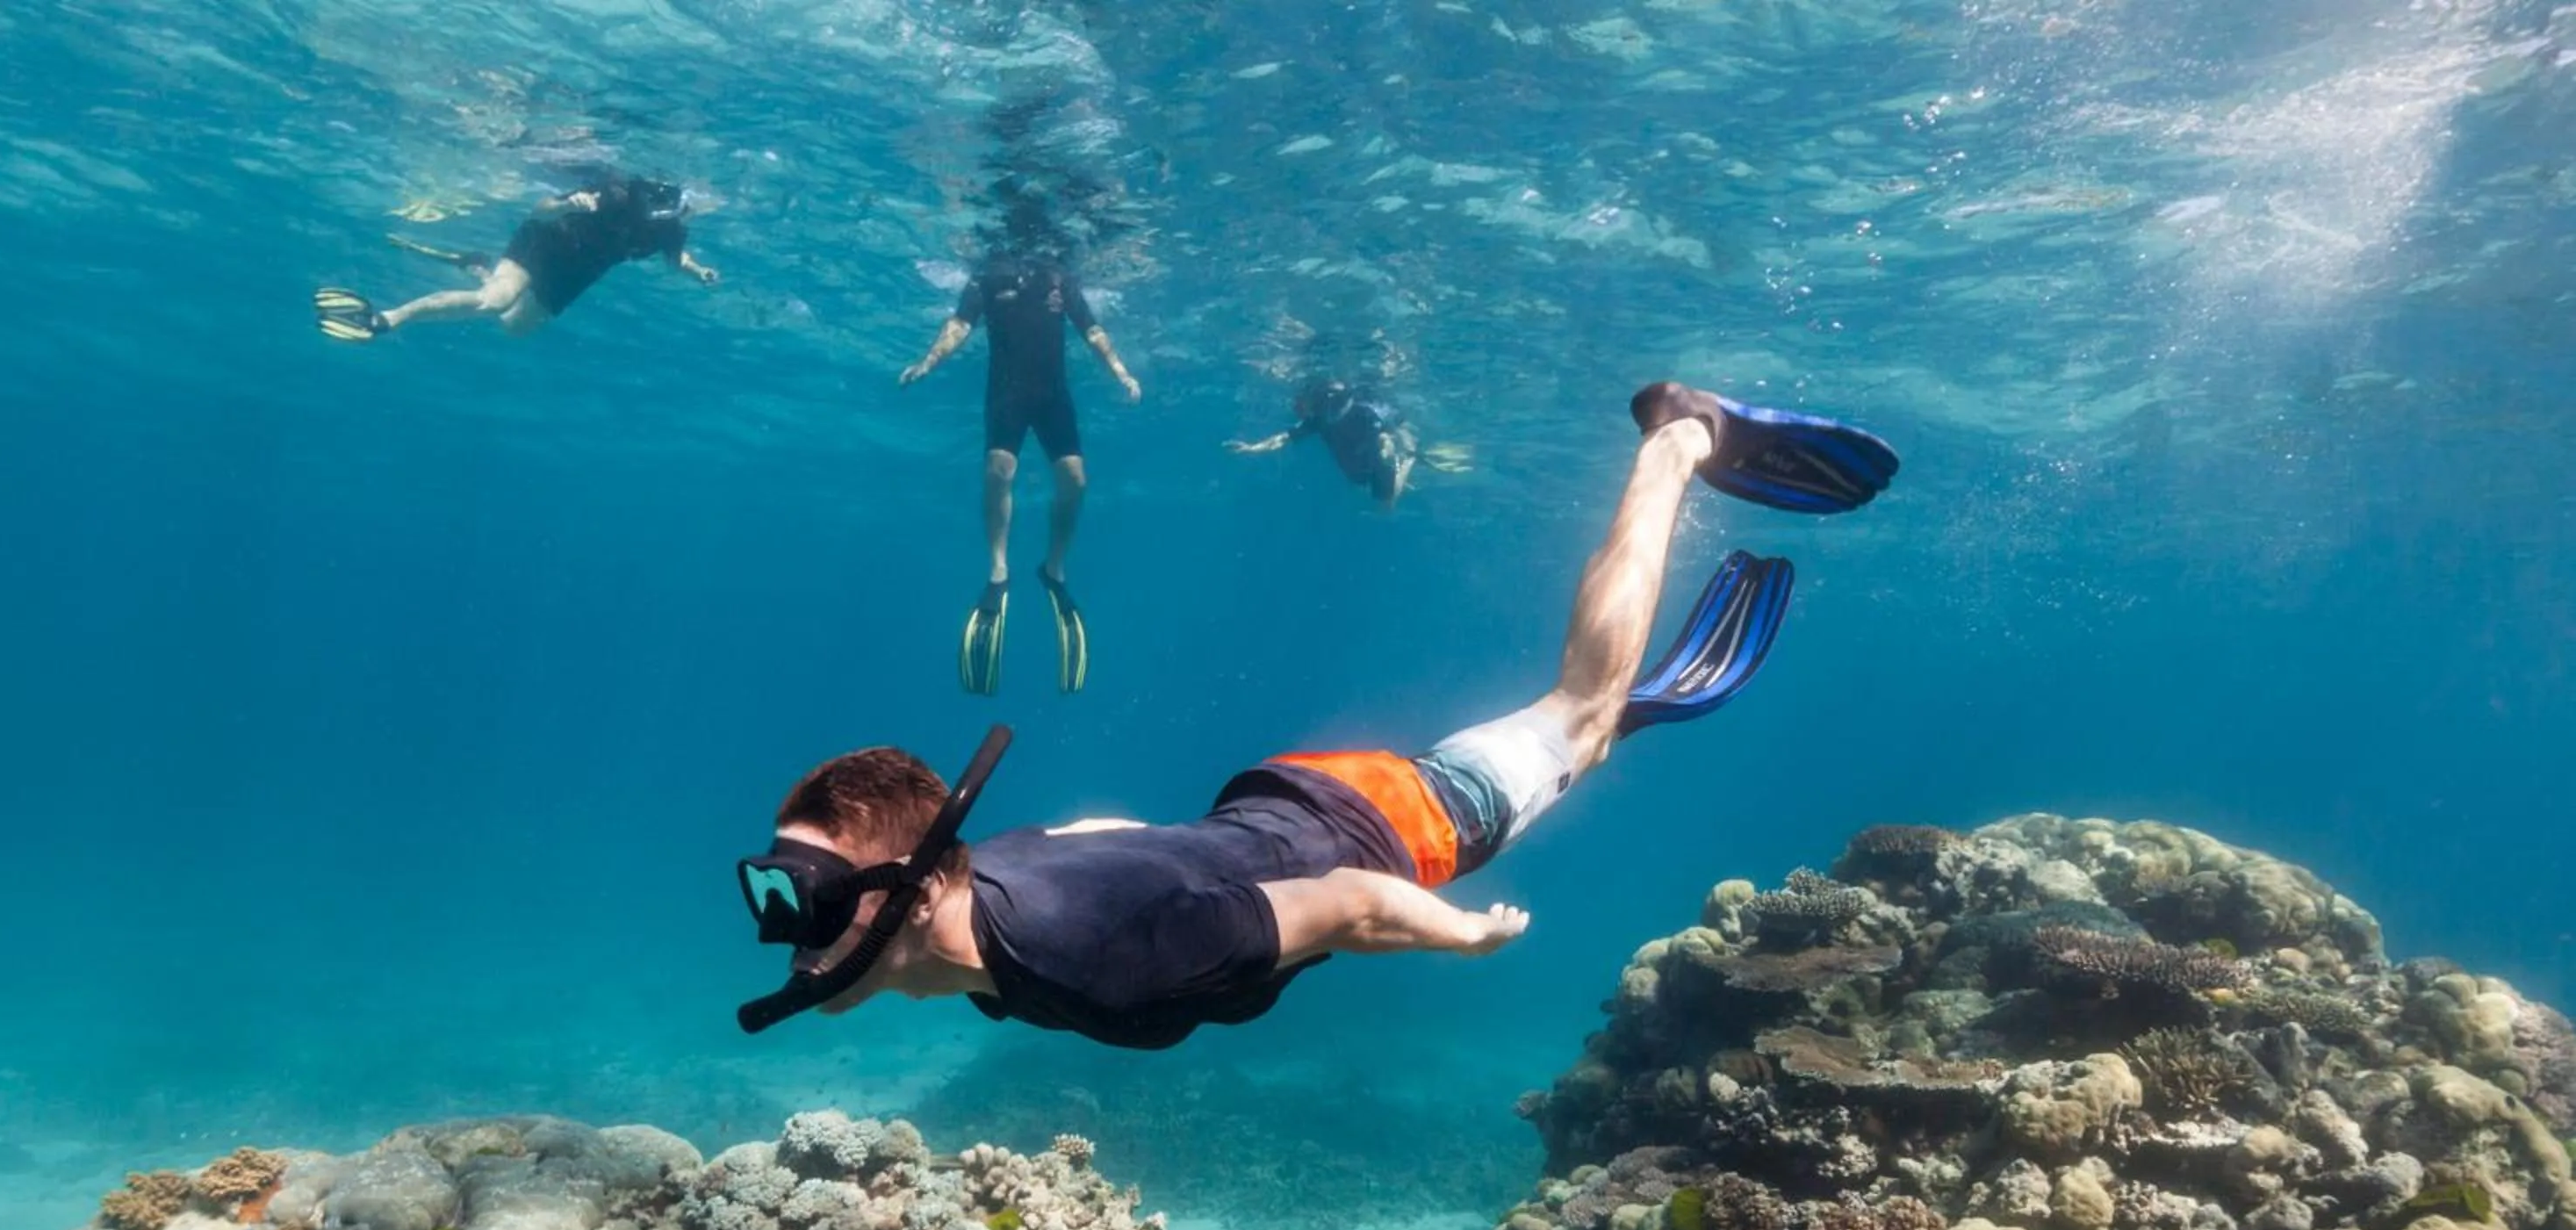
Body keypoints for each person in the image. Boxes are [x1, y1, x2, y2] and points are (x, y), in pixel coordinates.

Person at [727, 382, 1899, 1050]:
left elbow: (1346, 906)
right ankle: (1584, 737)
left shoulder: (1096, 962)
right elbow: (1091, 834)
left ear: (925, 880)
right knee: (1557, 740)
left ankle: (1679, 440)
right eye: (781, 890)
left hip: (1389, 833)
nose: (795, 931)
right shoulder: (987, 889)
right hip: (1281, 801)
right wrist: (1187, 859)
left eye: (814, 897)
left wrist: (1469, 936)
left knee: (1580, 713)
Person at [900, 250, 1140, 694]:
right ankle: (997, 570)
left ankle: (1054, 569)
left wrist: (1122, 373)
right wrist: (927, 363)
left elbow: (1093, 330)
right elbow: (958, 325)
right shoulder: (988, 276)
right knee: (999, 468)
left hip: (1053, 397)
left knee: (1075, 479)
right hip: (1006, 394)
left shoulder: (1060, 278)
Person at [313, 170, 716, 342]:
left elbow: (675, 258)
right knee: (495, 302)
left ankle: (478, 266)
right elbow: (538, 210)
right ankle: (387, 319)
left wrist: (698, 272)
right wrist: (564, 206)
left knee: (514, 328)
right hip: (547, 243)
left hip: (576, 275)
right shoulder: (614, 193)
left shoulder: (671, 229)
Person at [1227, 377, 1417, 507]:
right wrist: (1253, 448)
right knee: (1361, 484)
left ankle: (1408, 462)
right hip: (1358, 461)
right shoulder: (1319, 419)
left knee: (1386, 503)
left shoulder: (1362, 411)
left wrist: (1388, 446)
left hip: (1374, 456)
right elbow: (1285, 438)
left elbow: (1387, 430)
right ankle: (1398, 468)